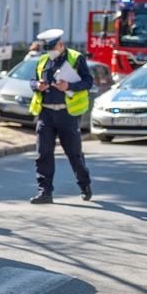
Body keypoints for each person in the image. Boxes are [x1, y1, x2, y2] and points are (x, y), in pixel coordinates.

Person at [27, 29, 94, 204]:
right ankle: (45, 192)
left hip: (67, 114)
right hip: (46, 114)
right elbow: (32, 81)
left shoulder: (76, 58)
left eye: (52, 48)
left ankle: (84, 185)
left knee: (74, 153)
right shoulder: (43, 60)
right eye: (47, 49)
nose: (50, 52)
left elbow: (88, 81)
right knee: (43, 154)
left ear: (60, 44)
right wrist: (38, 86)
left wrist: (69, 85)